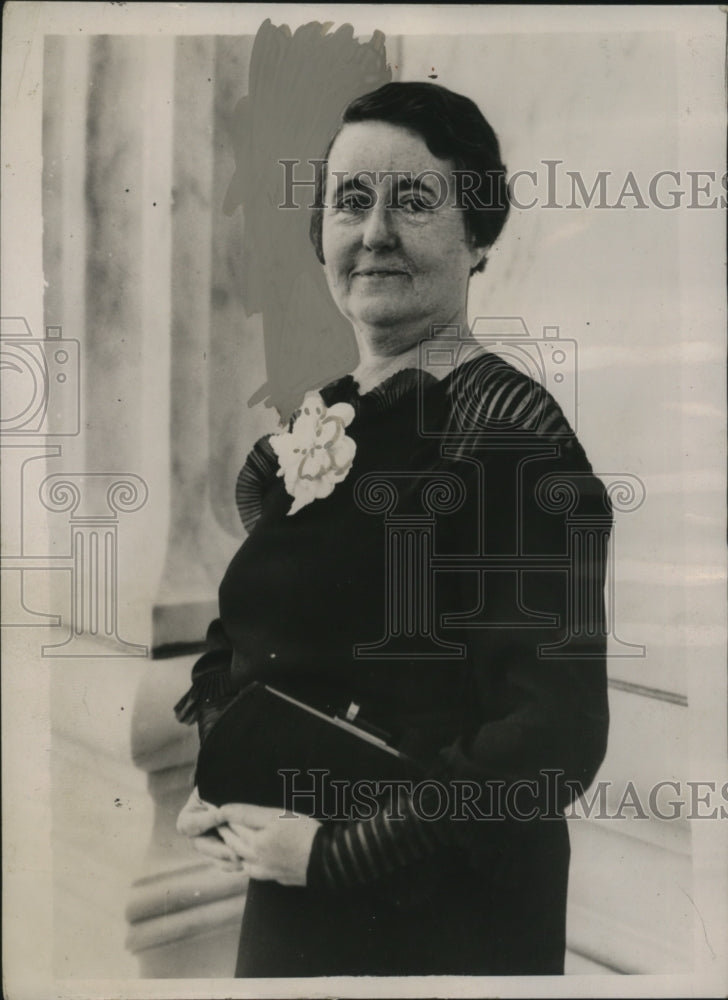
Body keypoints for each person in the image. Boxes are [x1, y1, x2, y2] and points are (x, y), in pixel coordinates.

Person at [175, 81, 611, 977]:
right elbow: (244, 638)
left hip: (442, 923)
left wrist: (336, 853)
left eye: (413, 200)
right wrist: (221, 774)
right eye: (349, 201)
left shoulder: (512, 438)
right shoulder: (323, 422)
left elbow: (552, 739)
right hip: (288, 887)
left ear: (478, 236)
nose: (374, 231)